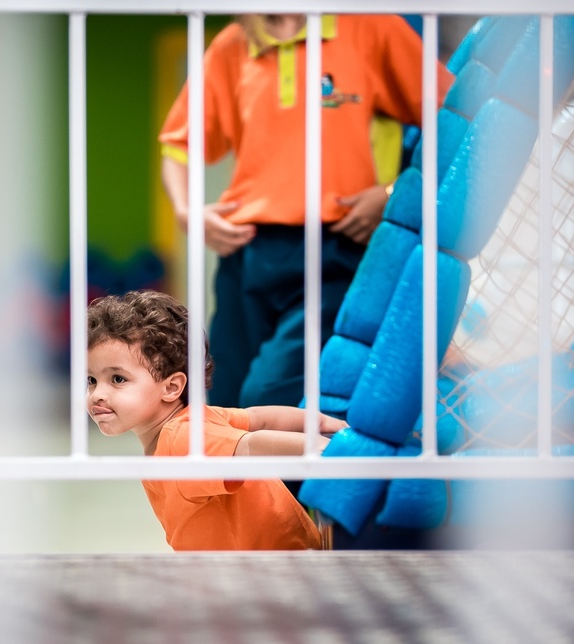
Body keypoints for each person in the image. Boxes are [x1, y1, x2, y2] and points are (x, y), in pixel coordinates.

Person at [159, 13, 454, 408]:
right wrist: (186, 211)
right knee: (218, 402)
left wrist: (393, 192)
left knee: (268, 396)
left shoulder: (375, 29)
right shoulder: (234, 43)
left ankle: (287, 471)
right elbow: (178, 146)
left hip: (337, 250)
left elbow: (455, 122)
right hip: (245, 253)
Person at [87, 290, 347, 550]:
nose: (98, 394)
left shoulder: (183, 438)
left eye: (118, 379)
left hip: (268, 572)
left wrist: (326, 448)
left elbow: (251, 444)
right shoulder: (194, 421)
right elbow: (259, 418)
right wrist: (321, 422)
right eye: (92, 380)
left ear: (171, 387)